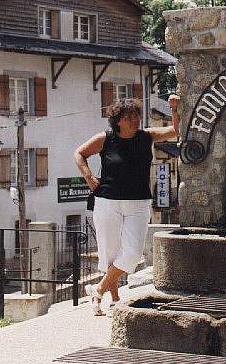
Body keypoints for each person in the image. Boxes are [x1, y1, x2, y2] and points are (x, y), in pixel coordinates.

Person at [74, 94, 180, 315]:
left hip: (139, 203)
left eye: (137, 116)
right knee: (110, 253)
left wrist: (175, 109)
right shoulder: (106, 138)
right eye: (130, 117)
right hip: (107, 202)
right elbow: (79, 153)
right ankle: (114, 300)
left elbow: (175, 131)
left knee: (132, 253)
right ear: (119, 120)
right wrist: (89, 178)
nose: (135, 120)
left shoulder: (146, 136)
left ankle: (98, 289)